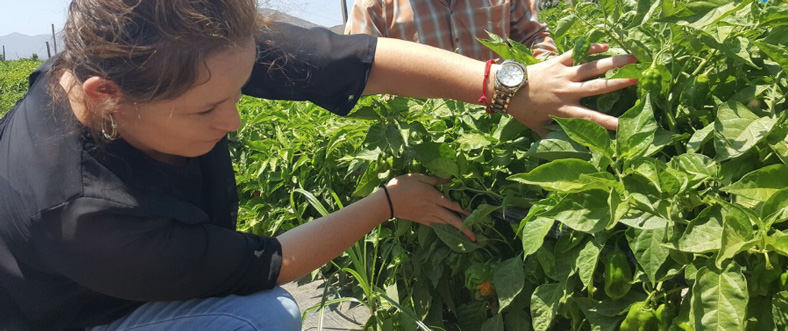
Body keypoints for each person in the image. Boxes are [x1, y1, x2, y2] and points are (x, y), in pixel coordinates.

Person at [0, 0, 637, 330]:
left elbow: (346, 58)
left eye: (238, 91)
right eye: (208, 110)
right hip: (71, 317)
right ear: (103, 96)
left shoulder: (187, 38)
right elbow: (258, 266)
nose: (236, 122)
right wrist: (386, 203)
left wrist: (507, 85)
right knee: (260, 316)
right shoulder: (83, 213)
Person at [344, 0, 558, 60]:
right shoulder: (373, 6)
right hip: (423, 141)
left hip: (503, 124)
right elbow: (358, 76)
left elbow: (533, 37)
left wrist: (547, 70)